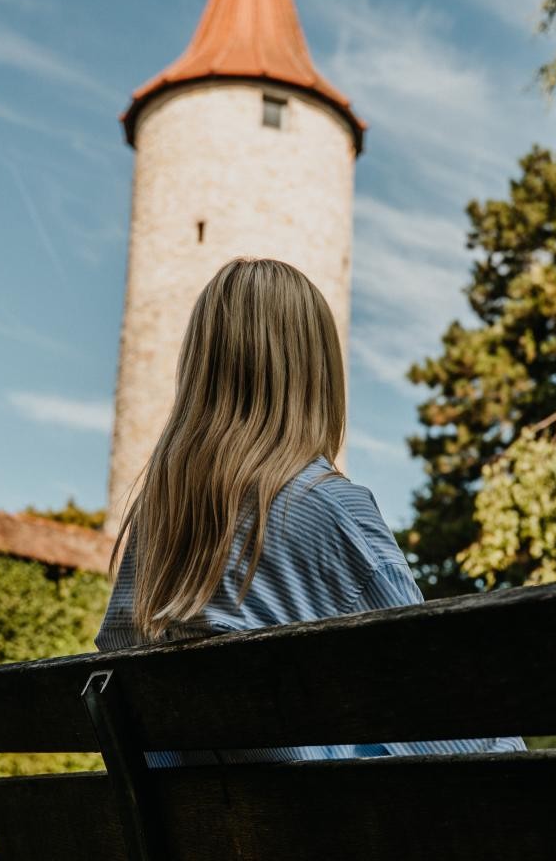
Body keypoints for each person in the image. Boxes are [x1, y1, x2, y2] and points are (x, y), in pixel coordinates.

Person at [96, 257, 525, 764]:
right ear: (316, 373)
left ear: (198, 370)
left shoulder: (154, 533)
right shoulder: (331, 510)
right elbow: (451, 728)